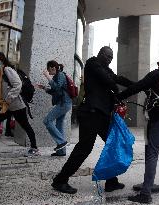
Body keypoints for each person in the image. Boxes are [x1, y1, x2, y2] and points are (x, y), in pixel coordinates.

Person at [51, 46, 133, 194]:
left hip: (102, 115)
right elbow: (109, 81)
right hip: (91, 113)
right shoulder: (92, 63)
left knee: (113, 144)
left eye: (111, 58)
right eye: (107, 56)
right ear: (100, 54)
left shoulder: (106, 69)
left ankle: (111, 181)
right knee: (84, 148)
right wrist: (117, 91)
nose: (109, 60)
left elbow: (118, 79)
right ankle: (60, 180)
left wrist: (137, 85)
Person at [117, 55, 159, 204]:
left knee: (152, 152)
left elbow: (138, 86)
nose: (158, 64)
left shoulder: (158, 74)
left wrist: (119, 96)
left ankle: (146, 193)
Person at [0, 52, 38, 158]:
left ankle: (34, 148)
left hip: (16, 105)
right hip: (3, 106)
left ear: (2, 60)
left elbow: (17, 85)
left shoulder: (7, 70)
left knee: (25, 126)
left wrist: (8, 99)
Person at [36, 60, 72, 156]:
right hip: (63, 103)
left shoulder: (60, 75)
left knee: (47, 121)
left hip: (64, 103)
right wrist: (44, 88)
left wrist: (47, 77)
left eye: (49, 70)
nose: (49, 73)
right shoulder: (57, 76)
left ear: (53, 68)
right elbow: (54, 91)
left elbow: (57, 87)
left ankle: (61, 142)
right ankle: (61, 151)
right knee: (59, 125)